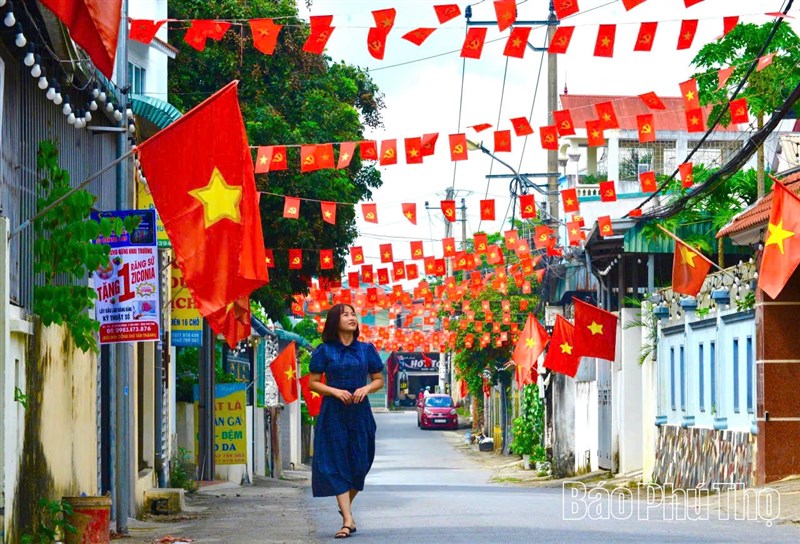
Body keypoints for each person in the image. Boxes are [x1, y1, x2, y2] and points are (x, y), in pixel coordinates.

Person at [308, 303, 385, 539]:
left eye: (353, 314)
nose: (352, 318)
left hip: (360, 413)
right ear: (335, 321)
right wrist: (334, 391)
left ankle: (345, 508)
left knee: (361, 463)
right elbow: (313, 383)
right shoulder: (324, 351)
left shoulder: (366, 349)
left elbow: (378, 379)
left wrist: (366, 388)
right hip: (334, 413)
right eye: (346, 315)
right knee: (336, 463)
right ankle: (347, 520)